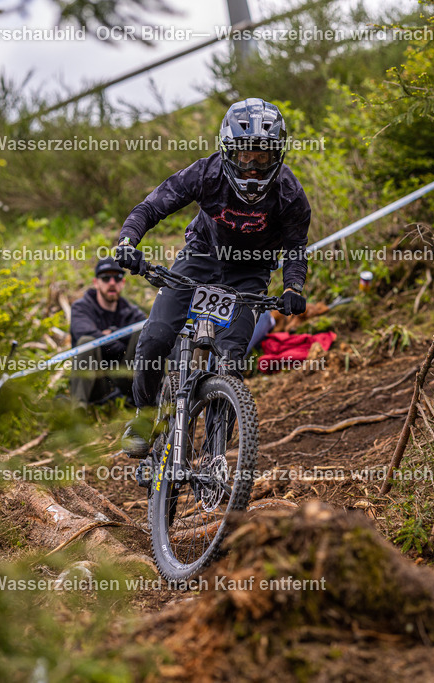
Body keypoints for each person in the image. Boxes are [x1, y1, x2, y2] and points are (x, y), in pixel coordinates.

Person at [113, 98, 311, 454]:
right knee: (157, 337)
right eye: (244, 156)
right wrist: (128, 241)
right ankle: (144, 416)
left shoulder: (290, 194)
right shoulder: (206, 173)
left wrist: (293, 286)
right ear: (227, 152)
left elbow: (296, 246)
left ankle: (214, 453)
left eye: (262, 157)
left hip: (251, 270)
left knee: (231, 359)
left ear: (277, 156)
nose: (252, 167)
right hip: (200, 256)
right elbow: (152, 206)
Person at [67, 257, 148, 405]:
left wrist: (109, 335)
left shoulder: (132, 312)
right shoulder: (81, 308)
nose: (112, 283)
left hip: (125, 378)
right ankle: (78, 411)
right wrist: (120, 343)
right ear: (96, 282)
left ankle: (150, 403)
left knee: (143, 333)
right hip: (95, 381)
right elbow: (83, 333)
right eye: (105, 278)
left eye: (117, 278)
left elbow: (145, 334)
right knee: (86, 342)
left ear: (122, 283)